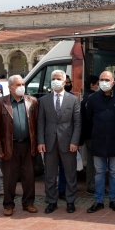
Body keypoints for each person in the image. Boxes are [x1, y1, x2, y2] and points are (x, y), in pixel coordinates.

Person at [0, 75, 39, 216]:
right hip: (9, 146)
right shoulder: (0, 103)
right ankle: (8, 204)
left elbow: (36, 125)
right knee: (9, 177)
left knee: (29, 176)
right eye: (18, 84)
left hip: (27, 144)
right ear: (10, 87)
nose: (21, 87)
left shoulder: (32, 101)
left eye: (23, 84)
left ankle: (28, 203)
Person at [86, 71, 115, 213]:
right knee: (99, 172)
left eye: (107, 79)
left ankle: (113, 200)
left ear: (113, 82)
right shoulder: (93, 98)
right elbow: (89, 118)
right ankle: (98, 201)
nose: (104, 82)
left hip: (114, 140)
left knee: (113, 172)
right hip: (98, 140)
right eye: (101, 79)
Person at [37, 70, 81, 214]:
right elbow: (41, 122)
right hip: (49, 143)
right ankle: (51, 201)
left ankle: (70, 201)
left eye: (58, 79)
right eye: (53, 78)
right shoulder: (44, 100)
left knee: (70, 173)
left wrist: (75, 141)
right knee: (50, 174)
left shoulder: (73, 100)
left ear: (64, 81)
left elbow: (77, 123)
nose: (55, 81)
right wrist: (41, 141)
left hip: (68, 143)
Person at [79, 75, 99, 195]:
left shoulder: (87, 97)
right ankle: (92, 185)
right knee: (94, 161)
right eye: (97, 83)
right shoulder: (91, 98)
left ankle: (92, 184)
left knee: (92, 161)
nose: (99, 86)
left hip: (89, 134)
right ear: (91, 85)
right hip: (91, 134)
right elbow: (90, 118)